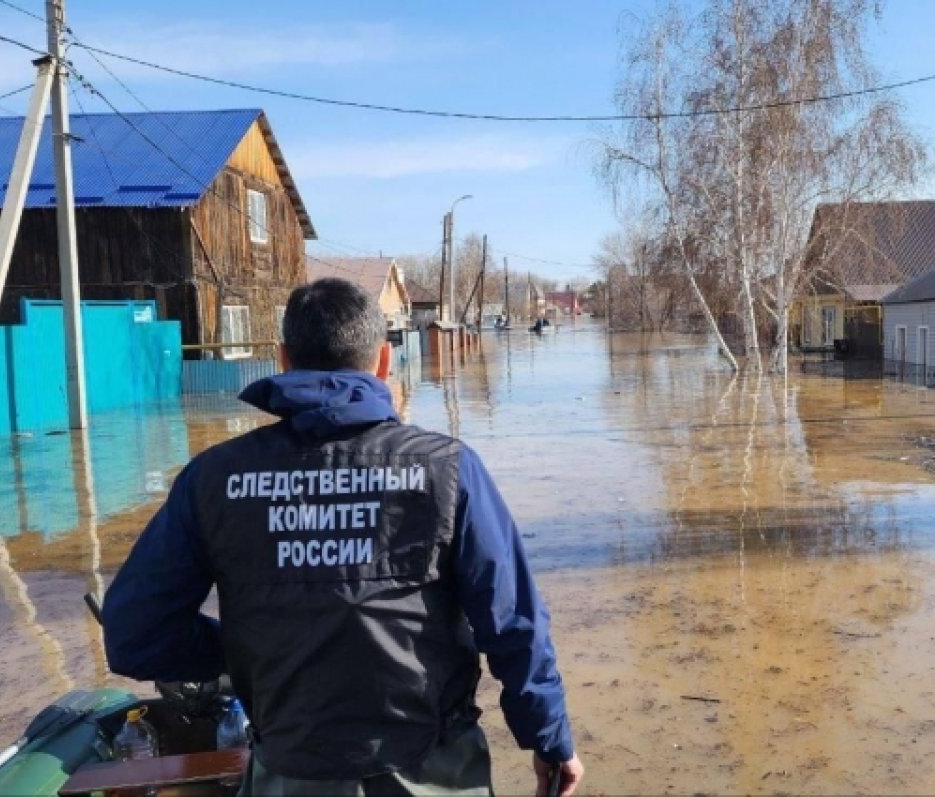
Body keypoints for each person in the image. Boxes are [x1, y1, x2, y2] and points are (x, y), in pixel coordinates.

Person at [102, 278, 584, 797]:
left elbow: (134, 632)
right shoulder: (448, 470)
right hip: (432, 769)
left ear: (283, 360)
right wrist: (549, 739)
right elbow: (513, 622)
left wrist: (240, 650)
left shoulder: (214, 479)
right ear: (383, 362)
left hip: (289, 771)